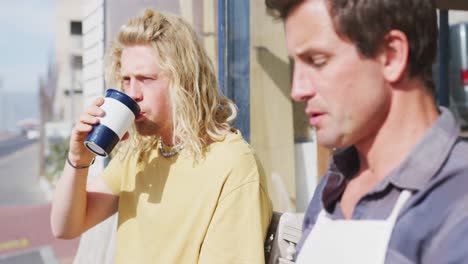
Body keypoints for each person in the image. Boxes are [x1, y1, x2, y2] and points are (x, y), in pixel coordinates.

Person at [51, 9, 272, 263]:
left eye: (145, 78)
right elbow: (65, 227)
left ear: (185, 80)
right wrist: (78, 158)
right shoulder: (141, 152)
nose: (133, 93)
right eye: (126, 80)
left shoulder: (231, 163)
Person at [265, 0, 468, 263]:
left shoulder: (456, 199)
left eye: (317, 61)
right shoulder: (334, 182)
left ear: (391, 56)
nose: (297, 89)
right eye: (296, 64)